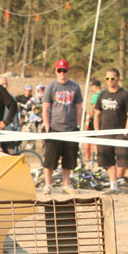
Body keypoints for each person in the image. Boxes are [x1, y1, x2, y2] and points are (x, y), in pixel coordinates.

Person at [42, 59, 83, 194]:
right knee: (50, 160)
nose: (62, 73)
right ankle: (48, 184)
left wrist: (78, 125)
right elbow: (46, 108)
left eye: (64, 70)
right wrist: (47, 127)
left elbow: (79, 108)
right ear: (56, 71)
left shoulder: (75, 87)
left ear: (68, 71)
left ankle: (66, 184)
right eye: (59, 70)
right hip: (55, 128)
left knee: (69, 159)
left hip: (70, 129)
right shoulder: (51, 87)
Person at [93, 69, 128, 194]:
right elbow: (97, 114)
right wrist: (97, 132)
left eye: (113, 78)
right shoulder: (102, 94)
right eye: (107, 79)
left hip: (120, 132)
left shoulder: (125, 95)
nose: (110, 81)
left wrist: (126, 132)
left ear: (118, 79)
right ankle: (113, 185)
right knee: (108, 160)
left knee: (125, 160)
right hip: (105, 132)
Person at [84, 79, 102, 165]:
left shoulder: (96, 96)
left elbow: (94, 107)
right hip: (103, 119)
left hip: (95, 119)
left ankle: (97, 155)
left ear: (95, 86)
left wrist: (91, 113)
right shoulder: (104, 94)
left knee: (94, 139)